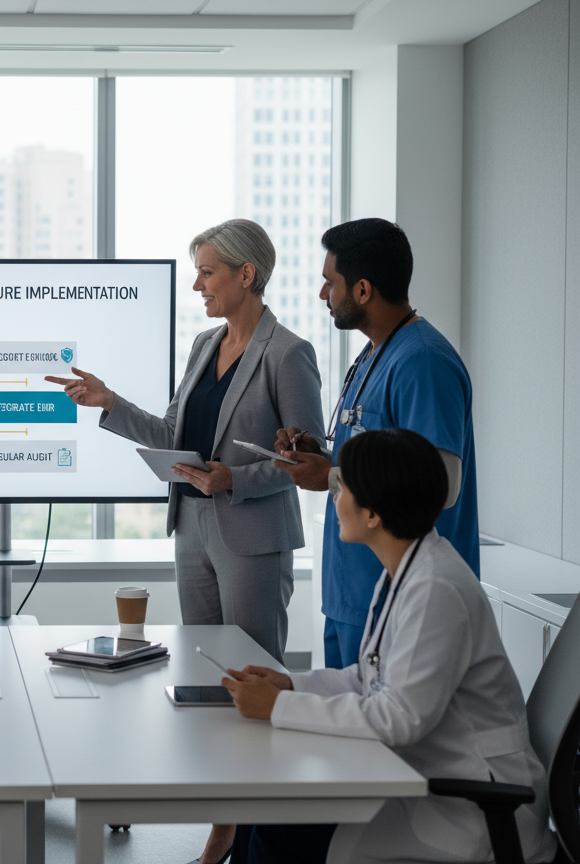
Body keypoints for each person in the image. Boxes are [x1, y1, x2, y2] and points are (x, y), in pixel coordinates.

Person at [47, 219, 323, 864]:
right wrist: (108, 402)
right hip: (194, 526)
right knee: (208, 676)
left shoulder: (288, 354)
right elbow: (174, 427)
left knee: (255, 677)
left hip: (251, 531)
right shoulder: (204, 344)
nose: (197, 284)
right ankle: (225, 819)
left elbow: (305, 461)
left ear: (245, 274)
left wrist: (236, 476)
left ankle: (252, 829)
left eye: (207, 272)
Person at [222, 428, 555, 864]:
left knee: (279, 827)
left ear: (374, 513)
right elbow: (369, 677)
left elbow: (399, 718)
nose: (335, 499)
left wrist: (276, 708)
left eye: (342, 488)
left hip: (475, 804)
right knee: (267, 809)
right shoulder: (409, 567)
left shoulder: (436, 587)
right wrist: (290, 685)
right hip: (429, 777)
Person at [274, 218, 479, 670]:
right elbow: (380, 459)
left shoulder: (422, 361)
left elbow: (439, 484)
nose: (322, 295)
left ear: (363, 290)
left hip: (403, 602)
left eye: (330, 283)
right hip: (351, 594)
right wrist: (323, 455)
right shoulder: (375, 352)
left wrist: (328, 476)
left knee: (384, 735)